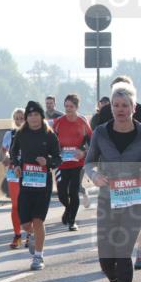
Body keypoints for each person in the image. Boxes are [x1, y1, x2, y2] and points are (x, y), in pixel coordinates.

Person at [84, 82, 141, 282]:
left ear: (133, 107)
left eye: (125, 105)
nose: (120, 109)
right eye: (115, 105)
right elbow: (89, 162)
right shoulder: (101, 132)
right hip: (108, 198)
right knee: (105, 256)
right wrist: (95, 175)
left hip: (135, 200)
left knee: (122, 251)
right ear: (111, 107)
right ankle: (113, 281)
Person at [9, 100, 62, 271]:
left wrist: (47, 162)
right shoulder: (21, 134)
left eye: (36, 115)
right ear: (26, 118)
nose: (33, 118)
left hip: (42, 184)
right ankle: (30, 235)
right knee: (25, 224)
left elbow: (58, 158)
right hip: (26, 183)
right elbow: (13, 152)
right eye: (30, 115)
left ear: (41, 116)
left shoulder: (49, 135)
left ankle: (38, 256)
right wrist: (16, 165)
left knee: (38, 220)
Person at [52, 93, 93, 231]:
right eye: (66, 106)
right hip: (62, 163)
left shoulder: (82, 121)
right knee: (62, 193)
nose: (68, 109)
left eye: (71, 106)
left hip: (77, 163)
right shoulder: (58, 122)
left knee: (74, 191)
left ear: (77, 107)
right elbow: (52, 141)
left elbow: (91, 142)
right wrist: (55, 153)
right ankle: (68, 209)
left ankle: (72, 221)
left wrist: (84, 152)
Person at [1, 108, 26, 248]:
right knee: (16, 205)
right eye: (16, 118)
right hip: (13, 172)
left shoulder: (32, 133)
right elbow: (4, 150)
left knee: (28, 205)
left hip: (29, 172)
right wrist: (5, 157)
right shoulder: (9, 134)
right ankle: (17, 235)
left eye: (21, 118)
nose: (18, 121)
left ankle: (30, 234)